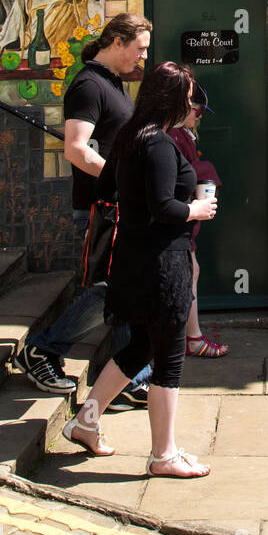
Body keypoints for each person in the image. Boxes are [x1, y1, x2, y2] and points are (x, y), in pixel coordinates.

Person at [62, 62, 216, 476]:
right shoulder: (160, 145)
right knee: (168, 359)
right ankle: (163, 455)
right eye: (186, 99)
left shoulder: (130, 138)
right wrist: (195, 208)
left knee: (138, 348)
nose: (191, 105)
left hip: (131, 260)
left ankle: (85, 422)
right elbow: (165, 208)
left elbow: (106, 187)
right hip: (161, 265)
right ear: (171, 100)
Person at [14, 14, 153, 406]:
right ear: (117, 42)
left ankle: (131, 374)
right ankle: (43, 349)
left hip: (117, 205)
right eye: (139, 48)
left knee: (122, 291)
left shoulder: (112, 83)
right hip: (100, 208)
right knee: (111, 291)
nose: (142, 58)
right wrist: (120, 179)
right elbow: (75, 148)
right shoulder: (89, 85)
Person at [167, 83, 228, 358]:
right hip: (180, 216)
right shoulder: (175, 136)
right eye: (196, 110)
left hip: (185, 216)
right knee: (190, 272)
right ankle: (191, 337)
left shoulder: (180, 135)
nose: (199, 116)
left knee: (192, 271)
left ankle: (189, 335)